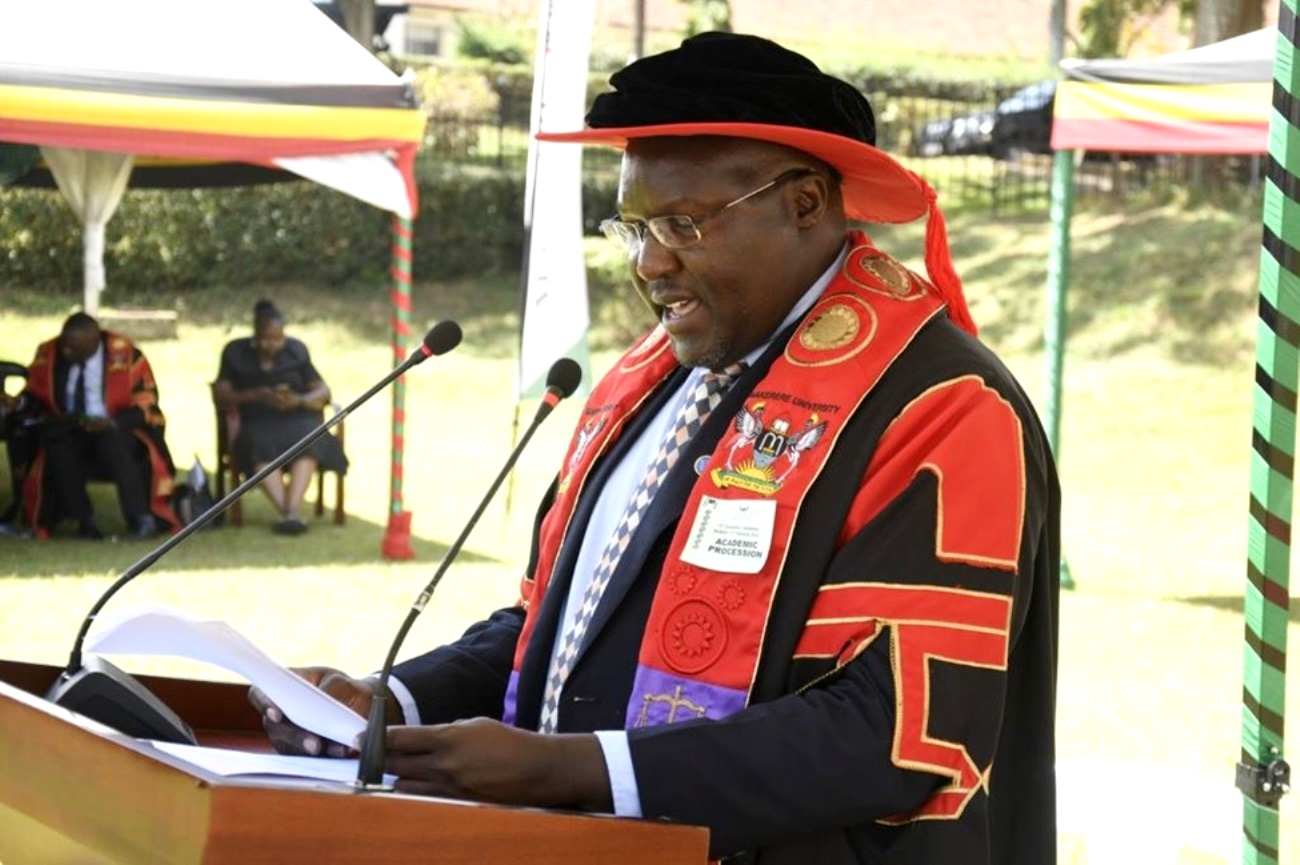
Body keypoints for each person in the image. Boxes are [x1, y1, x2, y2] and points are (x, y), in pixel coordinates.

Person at [251, 33, 1060, 865]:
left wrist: (581, 770)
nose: (649, 263)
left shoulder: (943, 406)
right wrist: (397, 699)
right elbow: (561, 633)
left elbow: (896, 726)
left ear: (808, 202)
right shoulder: (655, 382)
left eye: (683, 223)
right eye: (633, 226)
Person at [17, 312, 179, 540]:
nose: (66, 352)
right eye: (65, 345)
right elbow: (36, 394)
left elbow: (147, 405)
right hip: (72, 428)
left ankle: (141, 519)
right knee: (56, 443)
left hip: (118, 427)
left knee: (111, 442)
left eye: (74, 347)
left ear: (94, 340)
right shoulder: (51, 354)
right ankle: (84, 520)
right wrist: (20, 402)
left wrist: (110, 423)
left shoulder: (127, 355)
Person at [213, 299, 347, 535]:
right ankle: (287, 511)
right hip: (257, 419)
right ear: (256, 336)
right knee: (260, 443)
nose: (273, 345)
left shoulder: (296, 351)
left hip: (297, 416)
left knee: (310, 439)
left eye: (278, 339)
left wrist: (299, 400)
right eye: (267, 339)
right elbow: (221, 393)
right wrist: (255, 395)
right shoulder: (236, 353)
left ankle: (291, 511)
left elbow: (322, 390)